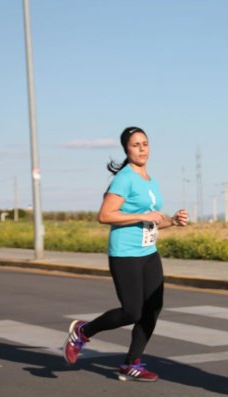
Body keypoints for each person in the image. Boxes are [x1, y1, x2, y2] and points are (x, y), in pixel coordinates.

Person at [63, 126, 188, 382]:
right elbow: (105, 215)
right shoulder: (124, 178)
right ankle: (83, 332)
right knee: (132, 312)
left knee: (152, 310)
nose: (142, 149)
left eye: (145, 143)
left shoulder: (151, 180)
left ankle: (131, 364)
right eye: (135, 145)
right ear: (126, 149)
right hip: (124, 254)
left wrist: (172, 221)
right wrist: (142, 215)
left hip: (148, 252)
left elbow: (153, 220)